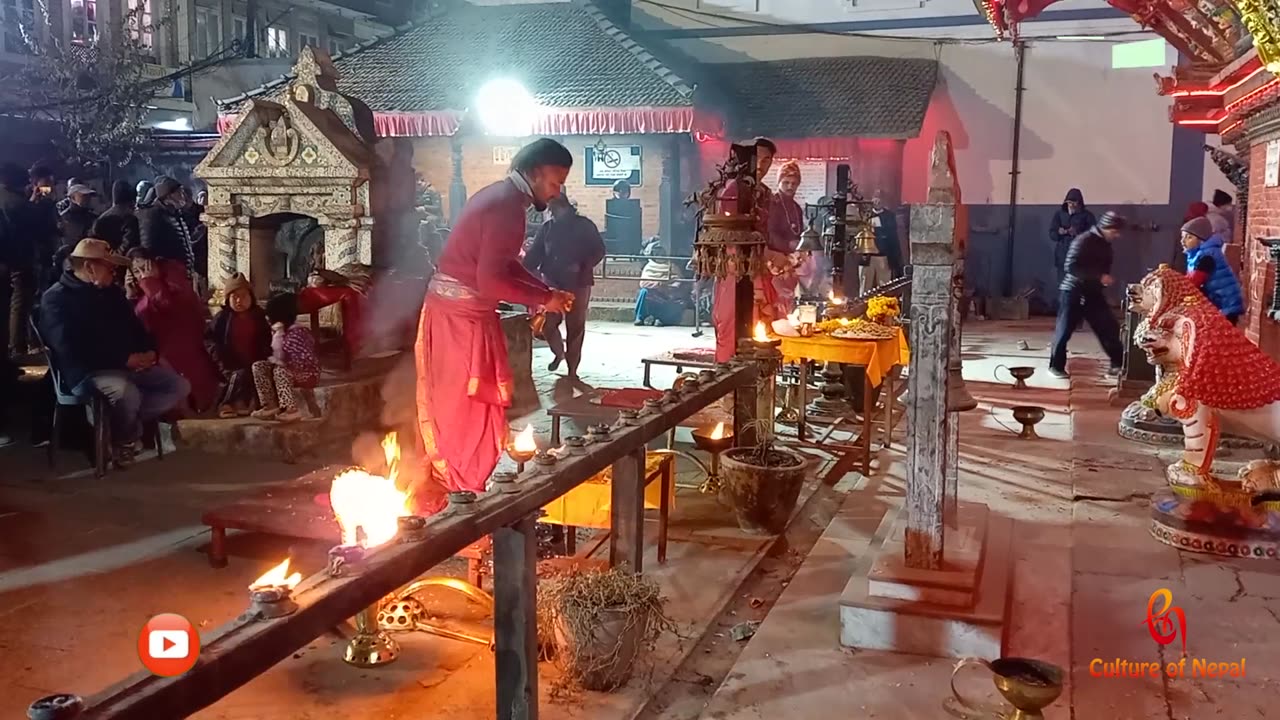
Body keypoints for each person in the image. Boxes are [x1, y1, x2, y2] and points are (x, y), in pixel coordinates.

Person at [414, 138, 574, 508]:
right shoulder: (507, 208)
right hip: (458, 318)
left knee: (472, 406)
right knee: (465, 410)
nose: (556, 192)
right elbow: (490, 282)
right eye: (554, 182)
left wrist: (544, 290)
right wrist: (544, 299)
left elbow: (504, 266)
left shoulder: (504, 198)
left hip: (463, 313)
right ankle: (462, 488)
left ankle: (467, 482)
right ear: (534, 174)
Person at [39, 238, 190, 466]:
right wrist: (123, 359)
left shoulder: (112, 293)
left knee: (178, 386)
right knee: (126, 393)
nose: (114, 272)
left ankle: (115, 427)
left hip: (127, 365)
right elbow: (71, 347)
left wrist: (150, 352)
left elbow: (136, 328)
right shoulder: (56, 299)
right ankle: (125, 439)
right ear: (90, 267)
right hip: (88, 371)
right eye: (109, 267)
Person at [712, 136, 782, 362]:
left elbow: (765, 232)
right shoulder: (733, 189)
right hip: (735, 265)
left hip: (758, 265)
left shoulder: (766, 193)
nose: (761, 166)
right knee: (733, 323)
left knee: (760, 324)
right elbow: (731, 234)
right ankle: (727, 381)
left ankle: (756, 378)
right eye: (757, 159)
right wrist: (767, 253)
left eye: (767, 160)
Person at [129, 247, 221, 413]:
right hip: (156, 350)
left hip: (180, 349)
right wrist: (132, 295)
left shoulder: (175, 282)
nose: (142, 274)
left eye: (145, 268)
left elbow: (167, 305)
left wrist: (148, 282)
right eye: (136, 271)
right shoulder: (146, 288)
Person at [522, 191, 604, 376]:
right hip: (553, 282)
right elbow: (535, 255)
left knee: (575, 327)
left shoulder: (584, 225)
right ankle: (559, 353)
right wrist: (519, 271)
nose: (552, 211)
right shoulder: (547, 228)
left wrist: (582, 265)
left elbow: (599, 250)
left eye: (554, 207)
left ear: (565, 207)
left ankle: (572, 369)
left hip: (578, 283)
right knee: (548, 324)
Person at [1048, 211, 1126, 379]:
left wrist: (1101, 282)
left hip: (1093, 292)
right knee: (1064, 330)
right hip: (1073, 291)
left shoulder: (1105, 245)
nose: (1117, 235)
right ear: (1107, 227)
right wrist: (1099, 277)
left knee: (1108, 327)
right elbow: (1071, 267)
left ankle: (1118, 364)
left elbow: (1104, 269)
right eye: (1115, 231)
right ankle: (1056, 366)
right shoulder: (1083, 240)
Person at [207, 273, 272, 418]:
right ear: (227, 299)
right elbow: (210, 341)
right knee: (237, 375)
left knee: (254, 374)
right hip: (227, 363)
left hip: (254, 361)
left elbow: (266, 339)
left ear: (251, 297)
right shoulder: (222, 319)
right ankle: (225, 404)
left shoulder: (258, 317)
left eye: (243, 296)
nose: (239, 300)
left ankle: (244, 404)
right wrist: (218, 357)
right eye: (234, 296)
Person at [251, 292, 319, 423]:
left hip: (306, 373)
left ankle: (291, 409)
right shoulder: (276, 332)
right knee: (258, 366)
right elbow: (274, 354)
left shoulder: (297, 334)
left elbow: (304, 361)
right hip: (285, 370)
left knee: (280, 371)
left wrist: (282, 364)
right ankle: (269, 405)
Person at [1181, 216, 1244, 324]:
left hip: (1225, 304)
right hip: (1218, 302)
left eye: (1189, 237)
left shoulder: (1207, 256)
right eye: (1182, 237)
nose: (1183, 241)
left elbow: (1194, 282)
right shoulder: (1197, 254)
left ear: (1201, 240)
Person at [0, 163, 34, 366]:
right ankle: (16, 349)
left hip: (6, 261)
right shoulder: (15, 202)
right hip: (16, 260)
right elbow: (36, 226)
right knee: (18, 304)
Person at [137, 176, 197, 283]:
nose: (183, 196)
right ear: (168, 196)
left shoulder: (175, 214)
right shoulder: (153, 215)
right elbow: (148, 249)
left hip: (180, 276)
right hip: (167, 277)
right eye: (179, 192)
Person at [769, 161, 804, 314]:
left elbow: (800, 233)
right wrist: (787, 246)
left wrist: (800, 249)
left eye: (794, 183)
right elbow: (769, 233)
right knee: (774, 303)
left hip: (792, 262)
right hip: (773, 261)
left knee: (789, 304)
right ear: (779, 182)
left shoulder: (796, 208)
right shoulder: (772, 203)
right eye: (786, 183)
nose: (790, 187)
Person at [634, 237, 687, 327]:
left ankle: (661, 319)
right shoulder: (648, 267)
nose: (659, 255)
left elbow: (678, 281)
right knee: (643, 292)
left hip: (667, 294)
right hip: (652, 293)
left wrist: (665, 286)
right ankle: (639, 317)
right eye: (657, 253)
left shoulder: (671, 266)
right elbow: (643, 283)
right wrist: (656, 285)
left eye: (661, 253)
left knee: (675, 301)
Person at [1048, 188, 1095, 288]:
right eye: (1069, 202)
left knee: (1080, 287)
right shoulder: (1059, 214)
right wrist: (1059, 232)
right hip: (1063, 257)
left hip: (1080, 258)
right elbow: (1052, 233)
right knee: (1063, 286)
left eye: (1074, 203)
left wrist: (1078, 233)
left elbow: (1094, 236)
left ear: (1080, 203)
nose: (1072, 205)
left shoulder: (1087, 216)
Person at [91, 181, 140, 253]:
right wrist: (116, 257)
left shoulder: (102, 217)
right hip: (121, 261)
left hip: (103, 259)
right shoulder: (129, 218)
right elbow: (129, 244)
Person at [58, 183, 98, 249]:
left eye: (89, 196)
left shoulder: (92, 217)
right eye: (84, 196)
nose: (88, 199)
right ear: (73, 198)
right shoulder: (63, 218)